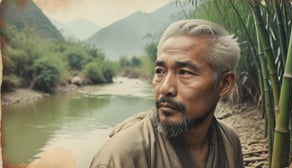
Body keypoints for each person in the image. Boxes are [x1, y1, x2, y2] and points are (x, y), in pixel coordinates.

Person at [90, 19, 244, 168]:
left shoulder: (229, 141)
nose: (164, 88)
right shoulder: (120, 156)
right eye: (160, 71)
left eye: (184, 72)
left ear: (224, 84)